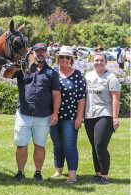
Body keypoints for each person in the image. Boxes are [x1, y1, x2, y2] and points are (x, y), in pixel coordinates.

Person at [12, 43, 61, 181]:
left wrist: (55, 113)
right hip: (24, 114)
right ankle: (20, 172)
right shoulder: (23, 70)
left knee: (40, 145)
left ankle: (38, 172)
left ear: (46, 54)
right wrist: (17, 65)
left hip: (43, 115)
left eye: (43, 51)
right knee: (21, 145)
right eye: (37, 51)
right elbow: (6, 74)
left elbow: (56, 95)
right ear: (32, 53)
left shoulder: (52, 73)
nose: (40, 53)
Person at [50, 46, 86, 183]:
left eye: (67, 57)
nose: (64, 59)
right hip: (54, 115)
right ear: (58, 58)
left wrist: (79, 117)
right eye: (62, 57)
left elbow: (82, 99)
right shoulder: (53, 73)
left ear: (71, 59)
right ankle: (58, 170)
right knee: (57, 144)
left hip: (70, 116)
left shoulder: (77, 75)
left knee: (69, 145)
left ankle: (72, 175)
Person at [84, 51, 121, 185]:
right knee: (94, 146)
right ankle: (98, 173)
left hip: (105, 114)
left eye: (101, 60)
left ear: (106, 62)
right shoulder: (88, 76)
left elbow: (116, 99)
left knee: (100, 145)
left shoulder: (111, 77)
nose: (98, 62)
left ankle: (105, 176)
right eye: (96, 60)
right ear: (92, 61)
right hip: (89, 115)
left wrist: (115, 118)